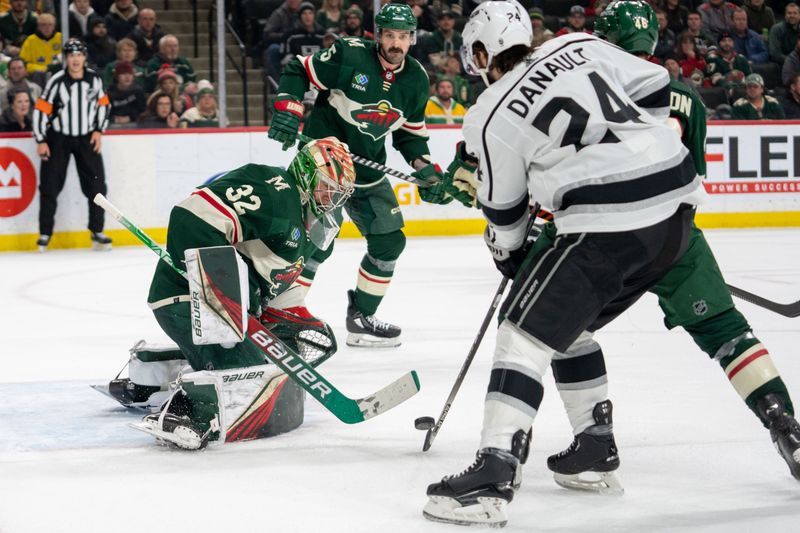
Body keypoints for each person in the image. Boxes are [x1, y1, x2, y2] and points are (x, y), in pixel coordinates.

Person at [422, 1, 706, 526]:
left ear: (482, 52)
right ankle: (594, 450)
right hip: (676, 209)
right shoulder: (579, 43)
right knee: (563, 327)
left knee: (520, 335)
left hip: (607, 223)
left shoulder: (487, 109)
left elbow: (505, 216)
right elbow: (654, 85)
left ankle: (494, 475)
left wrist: (509, 253)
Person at [538, 0, 800, 495]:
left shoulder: (580, 94)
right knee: (729, 334)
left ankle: (595, 443)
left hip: (602, 239)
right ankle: (786, 426)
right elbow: (689, 177)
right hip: (675, 236)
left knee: (555, 330)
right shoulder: (684, 95)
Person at [126, 137, 356, 450]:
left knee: (263, 367)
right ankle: (183, 414)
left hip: (226, 311)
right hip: (186, 298)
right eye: (327, 187)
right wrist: (218, 288)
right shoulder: (275, 190)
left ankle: (151, 374)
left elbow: (275, 285)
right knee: (247, 373)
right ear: (306, 173)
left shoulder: (309, 223)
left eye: (337, 192)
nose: (331, 198)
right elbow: (191, 215)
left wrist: (292, 314)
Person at [268, 3, 444, 348]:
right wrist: (289, 108)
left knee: (389, 241)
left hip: (367, 169)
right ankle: (281, 316)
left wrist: (425, 169)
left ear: (412, 39)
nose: (396, 43)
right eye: (390, 35)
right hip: (324, 161)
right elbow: (297, 69)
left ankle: (361, 317)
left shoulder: (416, 80)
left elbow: (409, 135)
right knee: (316, 244)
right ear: (378, 35)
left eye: (403, 37)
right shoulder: (349, 55)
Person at [32, 39, 112, 252]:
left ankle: (97, 231)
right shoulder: (56, 81)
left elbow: (103, 105)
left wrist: (98, 130)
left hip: (86, 138)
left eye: (79, 55)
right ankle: (45, 233)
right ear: (65, 59)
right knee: (49, 186)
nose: (75, 60)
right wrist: (41, 139)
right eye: (71, 56)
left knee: (97, 186)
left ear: (84, 57)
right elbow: (41, 110)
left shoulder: (94, 79)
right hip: (58, 139)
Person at [107, 61, 145, 127]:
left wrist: (130, 118)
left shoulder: (138, 92)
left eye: (130, 74)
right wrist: (112, 119)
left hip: (135, 125)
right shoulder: (107, 93)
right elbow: (102, 111)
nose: (127, 77)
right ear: (117, 76)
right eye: (123, 74)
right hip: (111, 125)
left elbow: (143, 111)